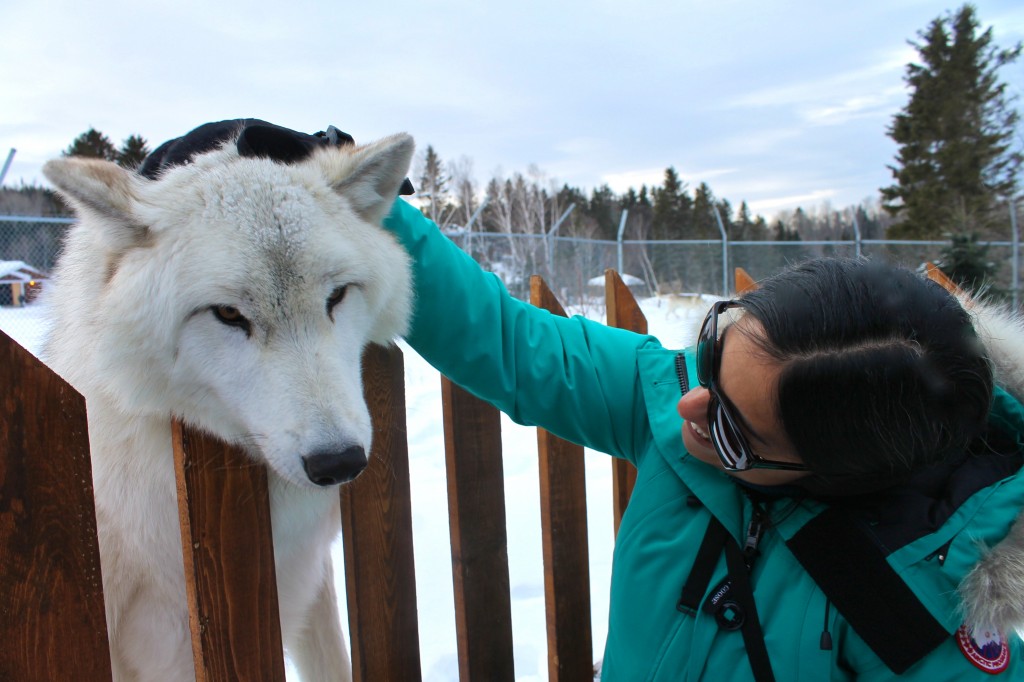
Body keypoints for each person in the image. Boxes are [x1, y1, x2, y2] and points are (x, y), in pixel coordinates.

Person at [381, 194, 1024, 680]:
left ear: (831, 479)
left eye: (732, 428)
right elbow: (507, 342)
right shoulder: (682, 404)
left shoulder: (916, 619)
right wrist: (367, 204)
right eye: (712, 353)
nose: (687, 402)